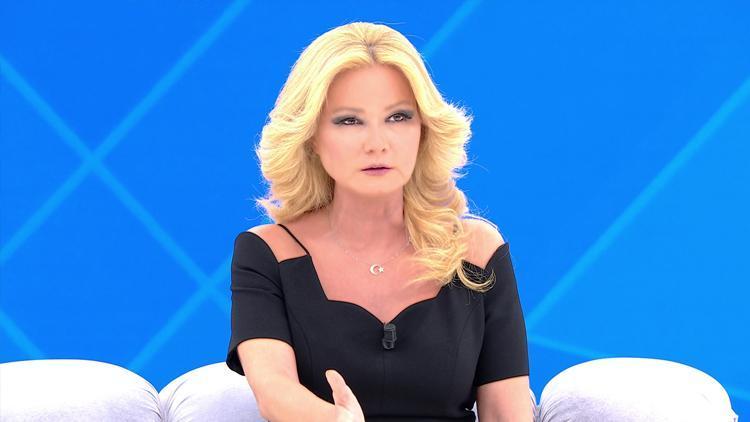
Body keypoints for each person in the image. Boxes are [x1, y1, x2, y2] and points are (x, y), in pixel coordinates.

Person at [226, 21, 532, 421]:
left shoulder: (477, 251)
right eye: (349, 120)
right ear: (311, 137)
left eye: (398, 117)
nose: (377, 143)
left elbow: (506, 413)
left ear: (424, 130)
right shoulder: (268, 252)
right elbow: (275, 393)